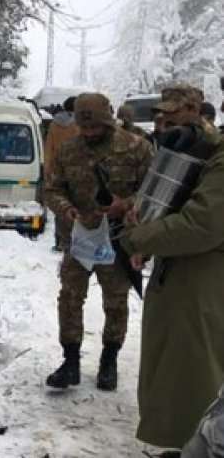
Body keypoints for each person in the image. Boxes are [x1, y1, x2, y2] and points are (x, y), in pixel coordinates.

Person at [122, 84, 224, 456]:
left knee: (198, 368)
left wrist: (138, 238)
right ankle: (187, 444)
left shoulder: (217, 153)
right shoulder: (195, 148)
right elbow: (165, 198)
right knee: (181, 366)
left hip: (204, 278)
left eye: (174, 114)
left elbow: (203, 224)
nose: (165, 122)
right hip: (183, 270)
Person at [44, 93, 153, 391]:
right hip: (79, 239)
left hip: (118, 240)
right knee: (69, 298)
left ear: (108, 122)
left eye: (96, 128)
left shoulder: (136, 148)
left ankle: (109, 361)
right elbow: (51, 189)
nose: (90, 133)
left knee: (116, 302)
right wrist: (66, 209)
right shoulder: (68, 150)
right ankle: (70, 361)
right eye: (85, 128)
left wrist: (126, 205)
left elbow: (152, 194)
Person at [44, 96, 79, 252]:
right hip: (75, 170)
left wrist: (48, 170)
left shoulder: (54, 125)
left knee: (60, 205)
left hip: (57, 170)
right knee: (74, 205)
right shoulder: (77, 126)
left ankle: (60, 240)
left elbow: (49, 148)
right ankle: (72, 240)